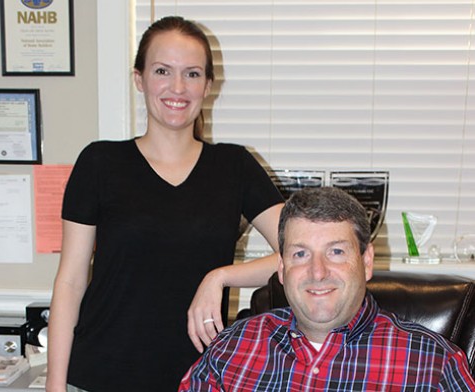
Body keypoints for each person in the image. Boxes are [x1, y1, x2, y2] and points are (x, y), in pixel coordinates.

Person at [45, 16, 284, 392]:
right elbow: (70, 283)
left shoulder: (234, 166)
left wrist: (219, 277)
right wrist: (55, 385)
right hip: (101, 376)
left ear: (208, 85)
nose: (177, 87)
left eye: (191, 74)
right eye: (162, 71)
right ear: (139, 78)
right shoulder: (100, 163)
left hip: (198, 378)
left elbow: (302, 252)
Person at [179, 187, 475, 391]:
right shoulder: (231, 349)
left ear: (366, 261)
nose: (317, 272)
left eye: (335, 252)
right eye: (300, 254)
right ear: (281, 269)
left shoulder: (434, 366)